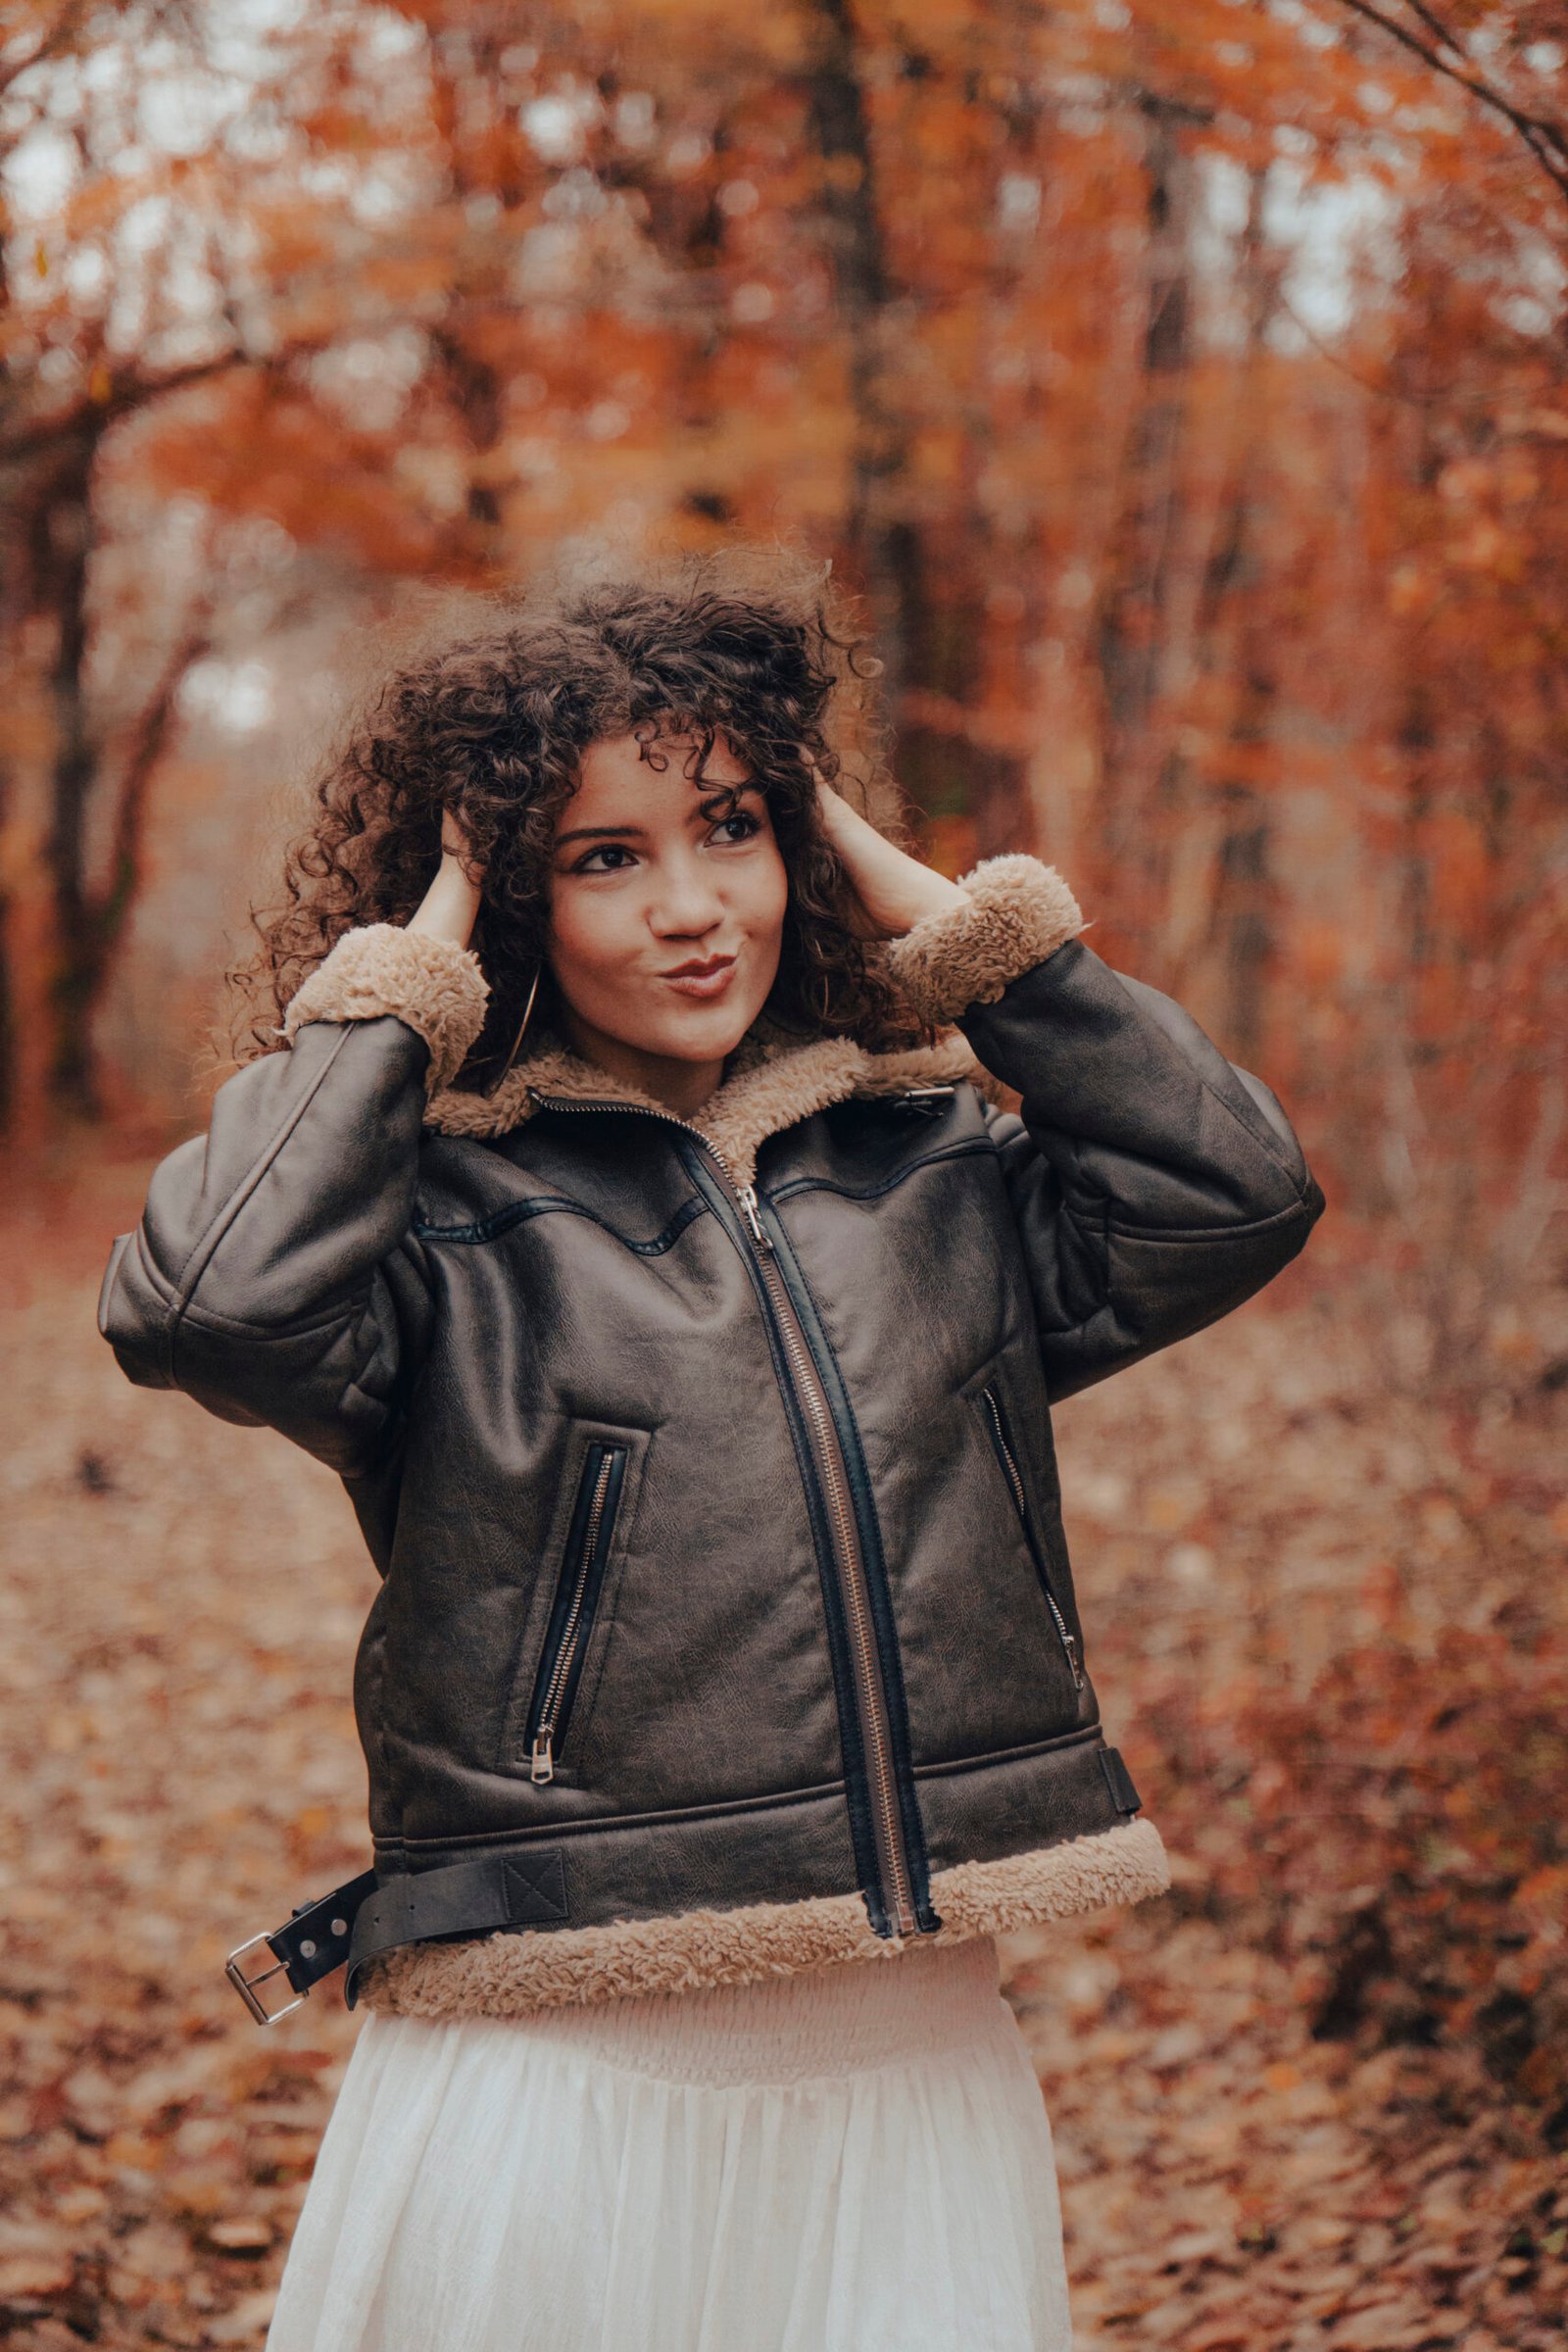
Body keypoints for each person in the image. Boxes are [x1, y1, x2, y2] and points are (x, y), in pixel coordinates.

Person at [97, 550, 1324, 2352]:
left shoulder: (940, 1175)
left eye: (732, 830)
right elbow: (202, 1301)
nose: (691, 908)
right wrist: (398, 993)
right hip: (560, 2057)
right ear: (513, 903)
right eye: (605, 856)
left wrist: (956, 928)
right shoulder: (437, 1227)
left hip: (907, 2062)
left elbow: (1233, 1193)